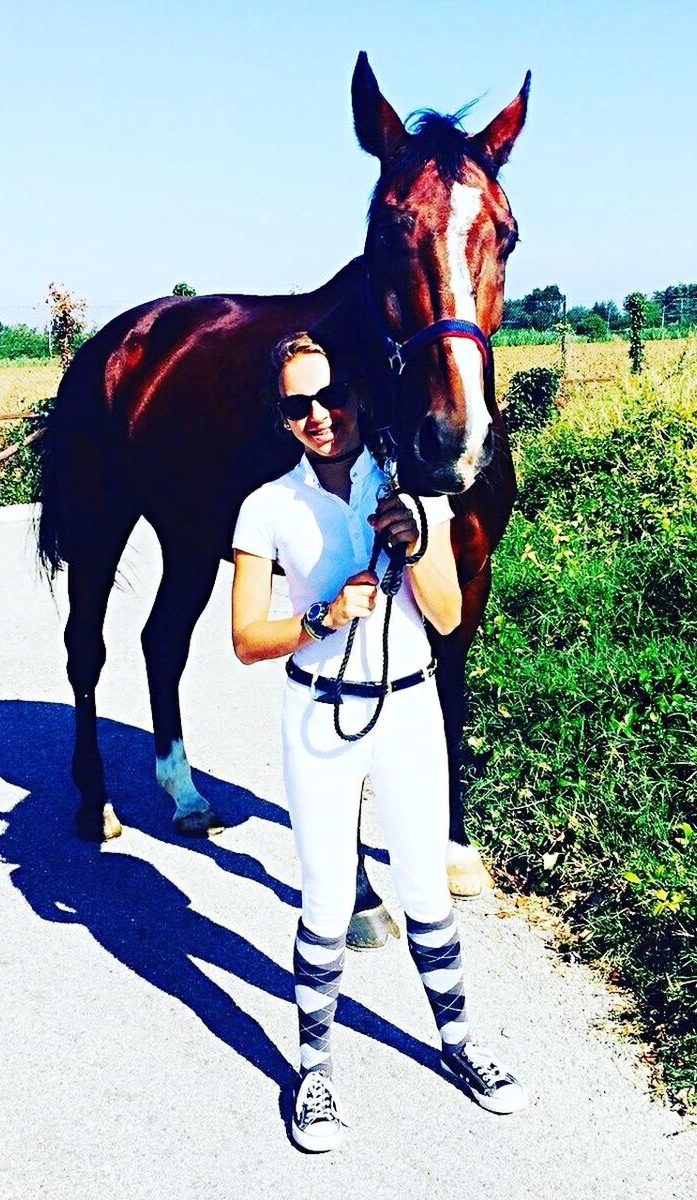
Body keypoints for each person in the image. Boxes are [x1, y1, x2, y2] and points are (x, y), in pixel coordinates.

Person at [230, 332, 527, 1153]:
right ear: (282, 418)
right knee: (326, 902)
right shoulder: (268, 508)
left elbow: (444, 615)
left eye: (332, 397)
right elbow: (245, 638)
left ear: (360, 395)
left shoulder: (410, 490)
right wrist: (324, 616)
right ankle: (315, 1072)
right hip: (320, 715)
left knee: (425, 892)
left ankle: (461, 1046)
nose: (320, 417)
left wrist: (418, 539)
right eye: (298, 406)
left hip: (407, 711)